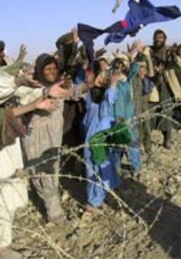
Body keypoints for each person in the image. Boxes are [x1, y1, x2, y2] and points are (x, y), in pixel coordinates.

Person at [0, 35, 69, 258]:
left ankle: (1, 241)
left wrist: (45, 92)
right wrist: (16, 81)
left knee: (8, 189)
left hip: (6, 141)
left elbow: (21, 92)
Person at [22, 53, 87, 226]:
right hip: (35, 136)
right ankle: (54, 213)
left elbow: (74, 93)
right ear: (39, 70)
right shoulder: (32, 87)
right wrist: (46, 93)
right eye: (47, 69)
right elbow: (26, 99)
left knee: (51, 170)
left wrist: (90, 84)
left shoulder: (60, 86)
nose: (51, 72)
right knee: (40, 172)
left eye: (54, 68)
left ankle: (49, 205)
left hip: (54, 136)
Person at [82, 69, 121, 211]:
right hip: (96, 145)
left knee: (100, 172)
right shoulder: (95, 107)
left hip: (99, 144)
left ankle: (97, 200)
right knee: (96, 173)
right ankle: (92, 203)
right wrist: (113, 83)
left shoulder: (93, 107)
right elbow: (108, 99)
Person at [149, 29, 181, 149]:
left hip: (166, 85)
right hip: (153, 85)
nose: (158, 40)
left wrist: (173, 54)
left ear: (164, 39)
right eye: (156, 37)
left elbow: (179, 63)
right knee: (152, 111)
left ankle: (167, 139)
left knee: (167, 111)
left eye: (160, 37)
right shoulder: (150, 51)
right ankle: (147, 138)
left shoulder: (169, 51)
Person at [111, 45, 142, 173]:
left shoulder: (127, 81)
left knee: (133, 143)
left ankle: (136, 167)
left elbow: (135, 69)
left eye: (122, 65)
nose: (119, 67)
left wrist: (130, 58)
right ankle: (116, 168)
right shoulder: (111, 81)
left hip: (129, 118)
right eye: (117, 65)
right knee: (116, 146)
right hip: (115, 119)